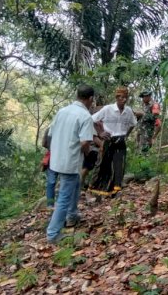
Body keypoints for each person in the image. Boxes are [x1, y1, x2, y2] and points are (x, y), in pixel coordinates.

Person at [46, 85, 96, 244]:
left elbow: (50, 134)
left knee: (75, 184)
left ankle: (72, 215)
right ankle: (53, 233)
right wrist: (89, 153)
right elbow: (84, 142)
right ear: (90, 99)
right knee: (64, 197)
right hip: (71, 160)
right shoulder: (85, 116)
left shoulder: (62, 111)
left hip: (57, 159)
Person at [89, 87, 137, 195]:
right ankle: (98, 188)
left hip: (121, 140)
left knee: (119, 165)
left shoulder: (128, 110)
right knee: (104, 164)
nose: (124, 100)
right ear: (117, 98)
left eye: (126, 97)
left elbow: (133, 123)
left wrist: (126, 134)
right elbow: (91, 119)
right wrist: (100, 132)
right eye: (121, 97)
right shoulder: (108, 109)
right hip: (109, 139)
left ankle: (116, 189)